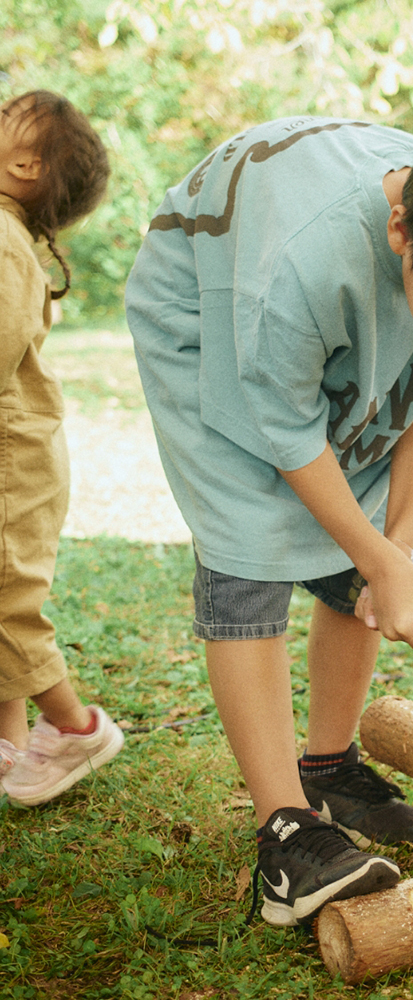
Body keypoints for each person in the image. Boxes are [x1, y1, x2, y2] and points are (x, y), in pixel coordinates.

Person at [125, 114, 413, 927]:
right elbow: (281, 430)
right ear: (400, 231)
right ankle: (284, 832)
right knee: (250, 547)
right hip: (209, 317)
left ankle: (329, 765)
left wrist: (396, 549)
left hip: (342, 308)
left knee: (367, 544)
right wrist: (377, 557)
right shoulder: (298, 266)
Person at [0, 91, 124, 805]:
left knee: (7, 600)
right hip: (15, 453)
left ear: (23, 163)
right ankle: (12, 745)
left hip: (12, 462)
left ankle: (76, 729)